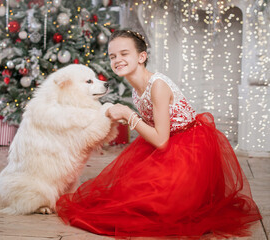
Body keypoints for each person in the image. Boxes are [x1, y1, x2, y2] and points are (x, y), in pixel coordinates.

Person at [56, 29, 262, 239]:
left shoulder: (158, 86)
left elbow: (161, 141)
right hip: (166, 141)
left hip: (188, 147)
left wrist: (128, 114)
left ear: (141, 57)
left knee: (156, 205)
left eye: (124, 53)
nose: (117, 60)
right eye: (113, 56)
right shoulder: (136, 88)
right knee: (124, 194)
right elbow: (155, 128)